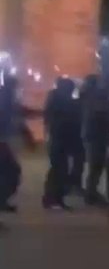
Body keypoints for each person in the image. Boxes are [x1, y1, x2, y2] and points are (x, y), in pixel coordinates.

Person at [81, 74, 109, 206]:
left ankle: (91, 195)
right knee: (107, 168)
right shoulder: (103, 103)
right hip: (102, 140)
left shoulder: (87, 99)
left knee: (95, 169)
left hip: (93, 138)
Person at [42, 77, 80, 210]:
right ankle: (53, 199)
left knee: (57, 170)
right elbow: (67, 121)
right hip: (60, 140)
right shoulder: (63, 102)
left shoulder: (55, 100)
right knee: (59, 170)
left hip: (57, 139)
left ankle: (53, 198)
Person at [0, 78, 36, 213]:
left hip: (3, 143)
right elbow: (19, 116)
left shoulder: (7, 100)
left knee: (9, 173)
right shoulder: (6, 100)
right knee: (11, 172)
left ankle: (2, 201)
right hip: (1, 143)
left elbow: (20, 115)